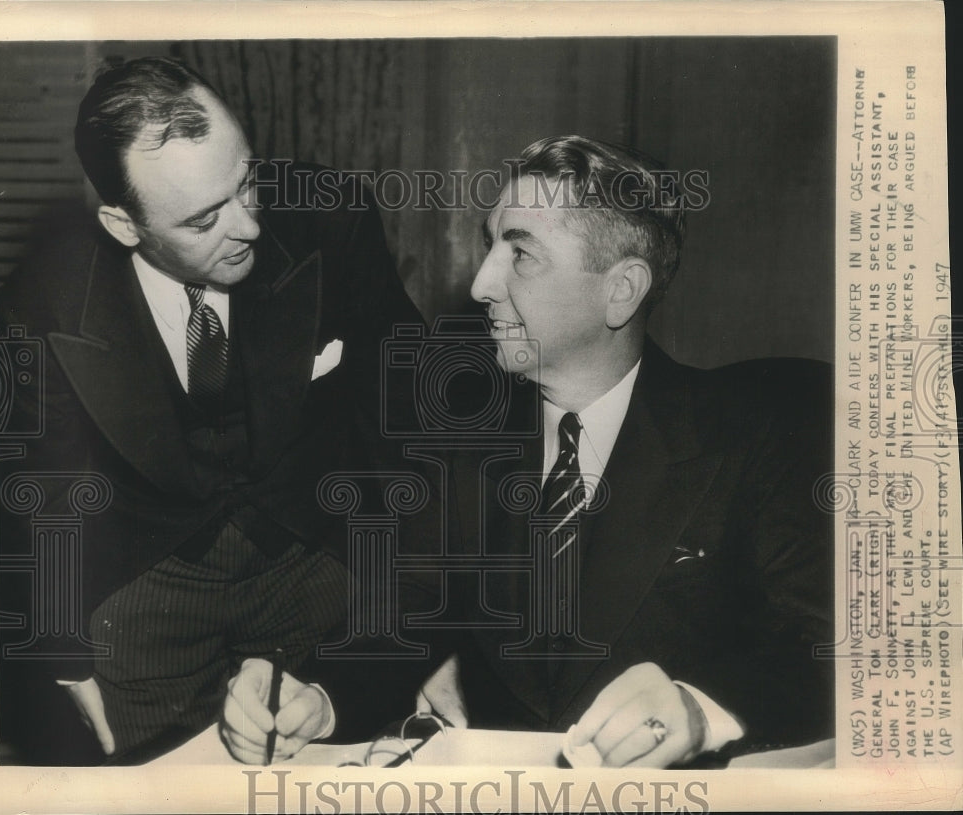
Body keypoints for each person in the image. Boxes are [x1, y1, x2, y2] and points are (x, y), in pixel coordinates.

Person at [222, 135, 834, 768]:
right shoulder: (461, 435)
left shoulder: (755, 436)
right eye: (490, 244)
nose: (482, 282)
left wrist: (699, 709)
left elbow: (825, 651)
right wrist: (320, 699)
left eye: (521, 253)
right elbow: (408, 625)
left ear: (621, 291)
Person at [0, 56, 422, 764]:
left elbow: (408, 420)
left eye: (246, 181)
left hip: (307, 554)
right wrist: (65, 664)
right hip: (147, 580)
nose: (250, 224)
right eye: (203, 219)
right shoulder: (44, 299)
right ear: (123, 224)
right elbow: (30, 496)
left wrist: (417, 626)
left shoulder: (330, 218)